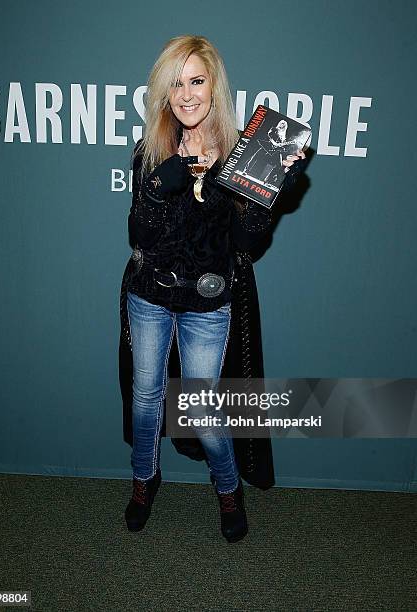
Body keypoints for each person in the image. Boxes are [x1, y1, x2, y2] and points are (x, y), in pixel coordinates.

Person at [118, 35, 306, 543]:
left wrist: (268, 190)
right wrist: (164, 182)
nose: (186, 94)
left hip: (206, 303)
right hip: (149, 294)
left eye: (196, 80)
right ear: (163, 91)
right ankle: (142, 480)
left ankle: (228, 489)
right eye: (175, 83)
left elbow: (245, 241)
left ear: (214, 86)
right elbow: (140, 232)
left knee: (202, 412)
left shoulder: (242, 157)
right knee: (145, 399)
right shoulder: (151, 151)